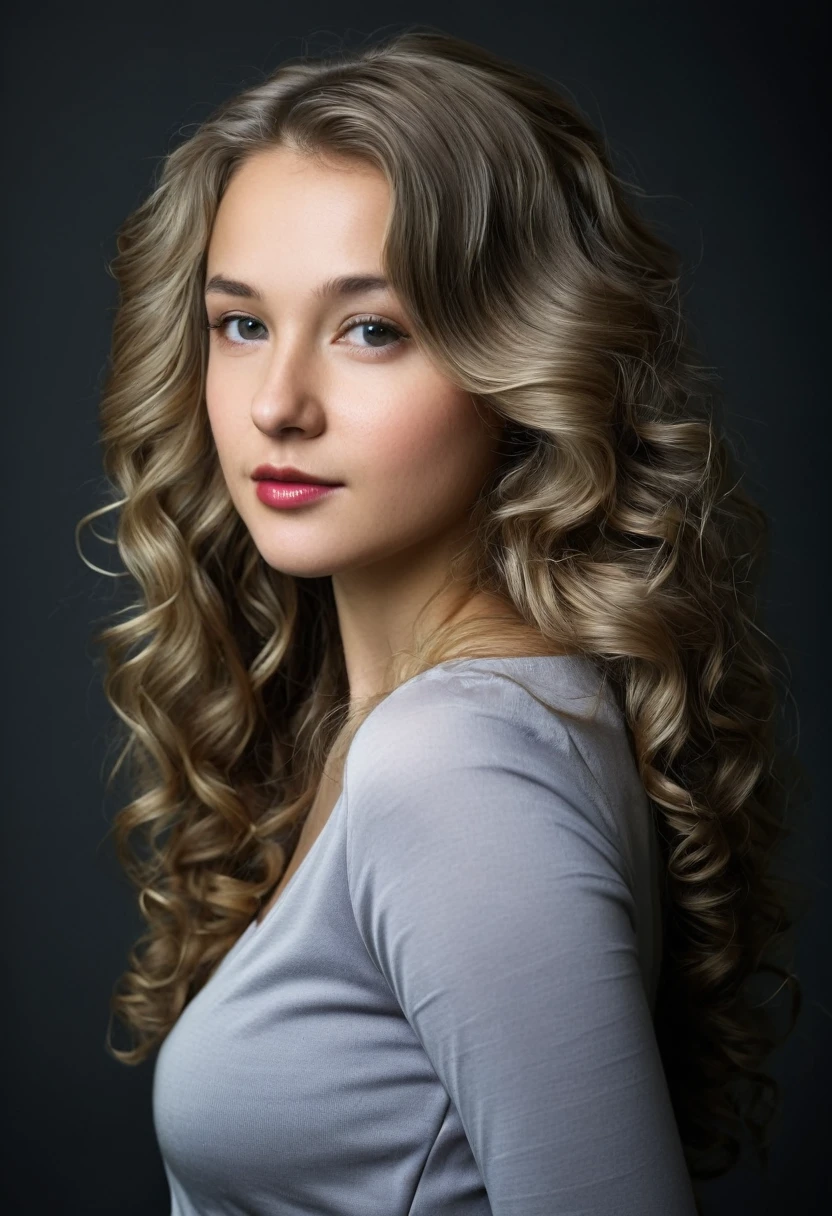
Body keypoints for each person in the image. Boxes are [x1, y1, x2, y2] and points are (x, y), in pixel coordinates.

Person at [79, 26, 802, 1216]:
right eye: (240, 322)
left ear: (517, 361)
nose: (278, 404)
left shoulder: (450, 763)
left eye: (373, 329)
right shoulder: (412, 718)